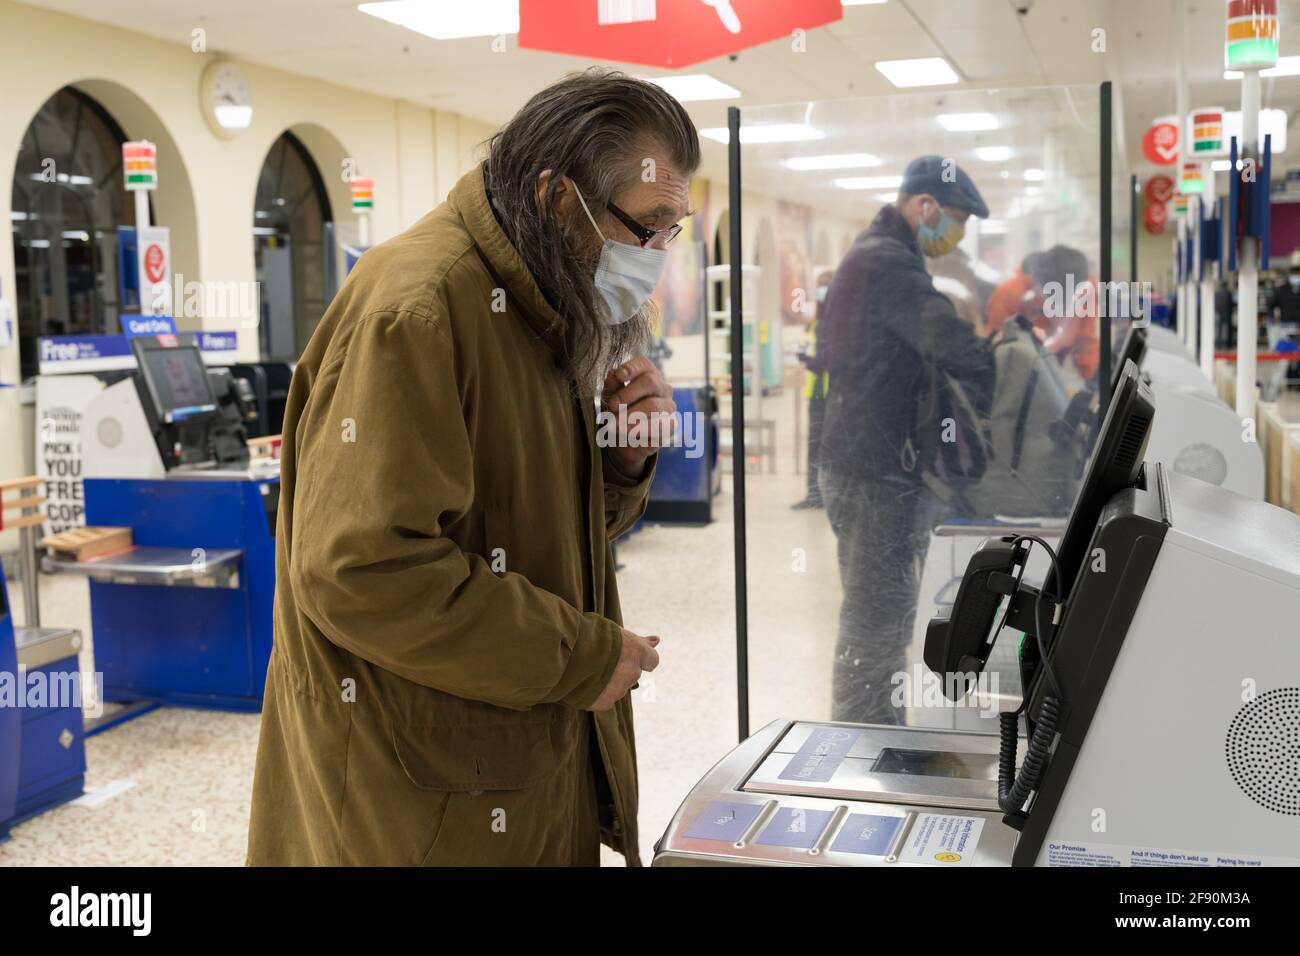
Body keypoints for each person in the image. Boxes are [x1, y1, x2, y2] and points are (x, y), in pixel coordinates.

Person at [246, 69, 700, 866]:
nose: (658, 258)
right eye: (648, 228)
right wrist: (579, 656)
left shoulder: (536, 305)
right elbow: (362, 570)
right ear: (561, 200)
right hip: (414, 794)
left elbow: (532, 531)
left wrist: (620, 461)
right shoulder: (419, 310)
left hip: (509, 759)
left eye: (674, 234)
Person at [817, 155, 995, 725]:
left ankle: (872, 733)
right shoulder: (887, 262)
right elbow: (945, 339)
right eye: (956, 219)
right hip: (871, 467)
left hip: (865, 458)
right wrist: (992, 358)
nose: (957, 233)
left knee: (882, 610)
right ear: (926, 206)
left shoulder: (882, 253)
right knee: (877, 617)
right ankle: (866, 748)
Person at [986, 244, 1100, 383]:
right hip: (1017, 373)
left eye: (1066, 301)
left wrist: (1095, 384)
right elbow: (996, 352)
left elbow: (1085, 341)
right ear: (1037, 280)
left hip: (1053, 368)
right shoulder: (1008, 294)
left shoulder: (1086, 290)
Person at [793, 269, 834, 510]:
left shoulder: (834, 320)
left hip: (829, 394)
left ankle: (821, 496)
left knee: (823, 447)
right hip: (817, 394)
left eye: (826, 284)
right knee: (816, 447)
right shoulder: (817, 320)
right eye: (819, 285)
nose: (822, 290)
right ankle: (815, 495)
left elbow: (825, 360)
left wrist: (805, 359)